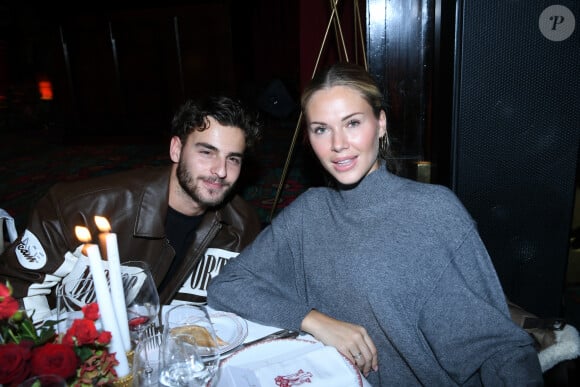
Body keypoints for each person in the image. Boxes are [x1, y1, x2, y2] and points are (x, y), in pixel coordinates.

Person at [208, 63, 543, 385]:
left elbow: (500, 348)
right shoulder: (309, 212)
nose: (338, 144)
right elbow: (228, 286)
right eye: (321, 129)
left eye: (352, 123)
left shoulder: (434, 211)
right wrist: (315, 320)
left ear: (380, 124)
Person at [0, 96, 262, 322]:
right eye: (207, 152)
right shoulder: (80, 208)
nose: (221, 171)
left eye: (233, 159)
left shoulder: (241, 227)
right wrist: (57, 352)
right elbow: (13, 286)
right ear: (176, 149)